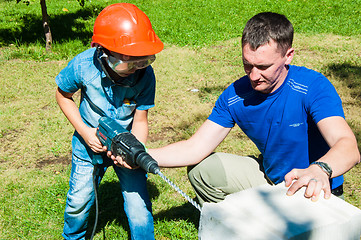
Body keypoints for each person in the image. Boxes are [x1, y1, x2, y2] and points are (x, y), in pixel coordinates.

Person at [132, 12, 359, 205]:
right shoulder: (235, 95)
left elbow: (348, 147)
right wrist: (140, 155)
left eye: (263, 66)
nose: (253, 76)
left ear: (288, 56)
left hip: (315, 187)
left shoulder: (312, 87)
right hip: (271, 178)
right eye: (247, 64)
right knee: (202, 170)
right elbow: (196, 147)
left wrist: (320, 169)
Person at [55, 3, 163, 239]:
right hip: (88, 144)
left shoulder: (145, 76)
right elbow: (63, 95)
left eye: (143, 61)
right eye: (129, 62)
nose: (136, 68)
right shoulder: (84, 66)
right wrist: (85, 132)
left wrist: (135, 152)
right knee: (79, 202)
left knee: (139, 207)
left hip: (125, 146)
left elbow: (141, 120)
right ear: (103, 52)